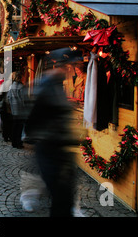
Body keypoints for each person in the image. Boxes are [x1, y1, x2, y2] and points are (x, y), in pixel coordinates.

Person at [24, 48, 79, 217]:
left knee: (64, 196)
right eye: (71, 65)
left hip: (58, 146)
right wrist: (31, 137)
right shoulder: (47, 85)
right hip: (49, 146)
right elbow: (36, 113)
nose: (73, 69)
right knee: (61, 195)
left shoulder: (56, 85)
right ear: (60, 65)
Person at [7, 71, 28, 148]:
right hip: (20, 110)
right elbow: (23, 99)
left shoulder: (11, 86)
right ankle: (18, 143)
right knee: (19, 127)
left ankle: (14, 142)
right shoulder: (21, 87)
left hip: (13, 109)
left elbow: (8, 97)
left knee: (15, 126)